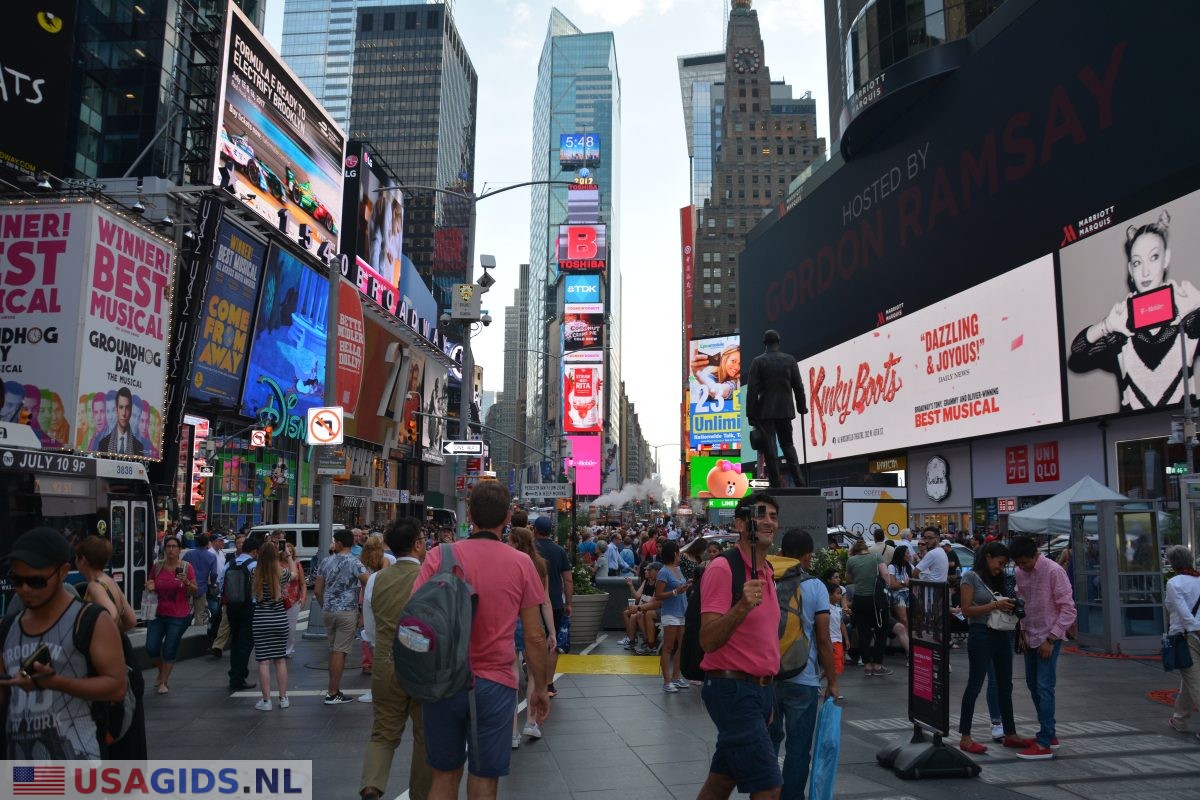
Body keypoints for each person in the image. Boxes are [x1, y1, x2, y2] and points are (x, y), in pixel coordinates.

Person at [412, 481, 551, 799]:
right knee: (485, 777)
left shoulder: (439, 556)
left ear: (470, 515)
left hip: (442, 681)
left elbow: (414, 617)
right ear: (507, 517)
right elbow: (534, 636)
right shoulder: (521, 563)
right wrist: (540, 688)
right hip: (494, 684)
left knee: (443, 776)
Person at [1, 528, 127, 759]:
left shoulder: (90, 620)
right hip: (22, 766)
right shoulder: (8, 627)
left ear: (63, 573)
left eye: (36, 581)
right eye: (17, 580)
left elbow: (117, 686)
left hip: (77, 765)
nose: (24, 590)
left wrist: (56, 683)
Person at [696, 492, 782, 800]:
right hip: (732, 689)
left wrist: (765, 693)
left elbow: (763, 639)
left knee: (722, 780)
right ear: (741, 524)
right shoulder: (722, 569)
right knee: (768, 788)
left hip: (757, 691)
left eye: (773, 515)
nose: (768, 521)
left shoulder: (768, 571)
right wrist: (742, 606)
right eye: (761, 514)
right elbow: (708, 639)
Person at [1068, 211, 1200, 410]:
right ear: (1130, 269)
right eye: (1138, 262)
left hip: (1184, 435)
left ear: (1166, 259)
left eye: (1154, 257)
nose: (1145, 272)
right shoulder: (1123, 325)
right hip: (1134, 434)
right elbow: (1077, 350)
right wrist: (1106, 326)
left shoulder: (1187, 314)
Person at [359, 518, 431, 800]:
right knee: (426, 738)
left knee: (383, 732)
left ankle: (371, 784)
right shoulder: (429, 577)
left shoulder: (377, 579)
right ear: (417, 545)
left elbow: (370, 628)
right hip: (424, 667)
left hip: (387, 662)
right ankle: (421, 794)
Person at [768, 529, 838, 800]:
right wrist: (832, 680)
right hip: (804, 678)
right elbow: (823, 639)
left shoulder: (767, 582)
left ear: (782, 554)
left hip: (768, 675)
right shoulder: (816, 587)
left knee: (769, 742)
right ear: (808, 557)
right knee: (798, 749)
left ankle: (766, 794)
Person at [956, 542, 1033, 754]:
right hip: (980, 634)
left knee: (1005, 684)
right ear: (988, 556)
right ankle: (965, 736)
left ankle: (1010, 733)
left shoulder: (997, 578)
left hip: (1001, 634)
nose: (1000, 568)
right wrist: (996, 605)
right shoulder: (970, 577)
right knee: (975, 683)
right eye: (999, 563)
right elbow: (967, 610)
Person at [1010, 535, 1077, 760]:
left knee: (1044, 686)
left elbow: (1068, 609)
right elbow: (1022, 603)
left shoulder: (1053, 570)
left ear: (1035, 555)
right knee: (1032, 684)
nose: (1021, 567)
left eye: (1024, 562)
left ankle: (1044, 741)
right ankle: (1049, 733)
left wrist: (1052, 639)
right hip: (1029, 634)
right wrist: (1021, 631)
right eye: (1018, 563)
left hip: (1049, 634)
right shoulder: (1020, 572)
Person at [508, 525, 555, 746]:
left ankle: (513, 732)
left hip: (511, 619)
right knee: (534, 673)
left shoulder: (509, 563)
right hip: (533, 620)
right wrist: (552, 630)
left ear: (515, 543)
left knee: (512, 673)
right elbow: (545, 600)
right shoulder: (539, 565)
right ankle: (530, 721)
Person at [745, 329, 806, 488]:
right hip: (785, 411)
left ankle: (776, 485)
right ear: (778, 342)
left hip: (765, 412)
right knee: (788, 445)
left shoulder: (758, 362)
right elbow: (798, 387)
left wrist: (750, 414)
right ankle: (800, 482)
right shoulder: (790, 360)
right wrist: (802, 406)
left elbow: (752, 391)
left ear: (764, 344)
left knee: (770, 449)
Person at [315, 529, 368, 705]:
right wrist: (363, 611)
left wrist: (325, 605)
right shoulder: (355, 562)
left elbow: (317, 590)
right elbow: (367, 580)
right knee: (340, 651)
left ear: (338, 543)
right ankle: (333, 692)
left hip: (328, 610)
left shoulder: (325, 562)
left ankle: (333, 689)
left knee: (333, 649)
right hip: (347, 610)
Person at [144, 536, 196, 694]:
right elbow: (150, 583)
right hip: (158, 613)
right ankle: (162, 670)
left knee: (169, 648)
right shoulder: (157, 566)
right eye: (168, 546)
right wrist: (149, 585)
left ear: (179, 550)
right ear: (164, 549)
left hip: (178, 615)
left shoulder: (187, 567)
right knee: (151, 647)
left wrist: (187, 582)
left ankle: (164, 682)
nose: (171, 549)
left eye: (174, 546)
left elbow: (196, 590)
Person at [1164, 544, 1200, 739]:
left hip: (1186, 636)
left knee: (1194, 681)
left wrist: (1195, 628)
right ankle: (1179, 718)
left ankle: (1180, 718)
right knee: (1189, 679)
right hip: (1194, 632)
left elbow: (1180, 612)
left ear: (1172, 563)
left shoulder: (1174, 583)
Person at [532, 515, 571, 692]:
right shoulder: (559, 551)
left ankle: (534, 680)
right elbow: (568, 580)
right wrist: (568, 602)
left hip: (531, 602)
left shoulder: (530, 550)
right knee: (552, 643)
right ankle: (549, 684)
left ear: (534, 530)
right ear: (551, 531)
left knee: (533, 641)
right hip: (555, 602)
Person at [251, 542, 290, 711]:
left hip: (261, 620)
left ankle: (266, 701)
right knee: (280, 660)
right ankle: (283, 698)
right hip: (280, 619)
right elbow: (295, 572)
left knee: (263, 662)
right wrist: (287, 555)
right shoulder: (282, 573)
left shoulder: (254, 573)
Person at [74, 535, 137, 633]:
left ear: (83, 560)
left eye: (77, 557)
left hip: (100, 647)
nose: (75, 561)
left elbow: (112, 614)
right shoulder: (110, 581)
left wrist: (95, 638)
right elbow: (131, 620)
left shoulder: (94, 586)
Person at [846, 539, 890, 676]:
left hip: (859, 599)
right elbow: (886, 574)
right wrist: (886, 587)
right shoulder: (876, 556)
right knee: (881, 631)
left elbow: (848, 579)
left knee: (863, 633)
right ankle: (877, 665)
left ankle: (867, 665)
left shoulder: (851, 561)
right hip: (875, 599)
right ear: (866, 548)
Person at [656, 541, 691, 693]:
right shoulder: (664, 572)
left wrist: (685, 587)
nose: (680, 554)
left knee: (681, 646)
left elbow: (679, 587)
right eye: (678, 552)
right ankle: (667, 680)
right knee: (669, 647)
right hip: (670, 612)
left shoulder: (678, 569)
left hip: (682, 611)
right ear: (674, 553)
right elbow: (658, 595)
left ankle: (676, 677)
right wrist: (676, 592)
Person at [226, 537, 259, 692]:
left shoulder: (230, 563)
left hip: (232, 607)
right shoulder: (254, 565)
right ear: (254, 551)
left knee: (235, 641)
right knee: (245, 643)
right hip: (249, 607)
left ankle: (234, 674)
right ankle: (239, 677)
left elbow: (221, 582)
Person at [359, 537, 387, 678]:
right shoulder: (386, 559)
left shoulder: (362, 561)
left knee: (368, 633)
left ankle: (369, 664)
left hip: (367, 599)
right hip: (381, 601)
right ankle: (373, 666)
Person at [622, 562, 661, 654]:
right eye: (645, 570)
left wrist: (638, 607)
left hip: (646, 608)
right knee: (626, 612)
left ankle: (647, 640)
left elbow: (654, 602)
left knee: (635, 615)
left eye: (648, 570)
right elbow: (637, 596)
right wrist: (630, 585)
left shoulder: (658, 583)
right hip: (642, 606)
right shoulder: (645, 581)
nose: (646, 572)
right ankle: (631, 639)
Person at [183, 532, 219, 626]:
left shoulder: (189, 554)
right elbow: (214, 573)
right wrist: (212, 583)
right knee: (199, 613)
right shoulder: (211, 556)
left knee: (184, 611)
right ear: (208, 543)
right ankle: (196, 635)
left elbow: (181, 567)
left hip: (187, 586)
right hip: (201, 587)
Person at [97, 386, 144, 455]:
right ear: (116, 410)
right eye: (121, 407)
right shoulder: (103, 444)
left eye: (127, 408)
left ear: (131, 411)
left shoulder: (139, 447)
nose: (124, 413)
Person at [279, 542, 306, 657]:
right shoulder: (276, 564)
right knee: (279, 627)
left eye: (290, 552)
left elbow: (303, 584)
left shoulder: (297, 565)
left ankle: (288, 650)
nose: (287, 553)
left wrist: (303, 598)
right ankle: (279, 648)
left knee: (290, 627)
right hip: (278, 600)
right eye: (285, 551)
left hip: (293, 600)